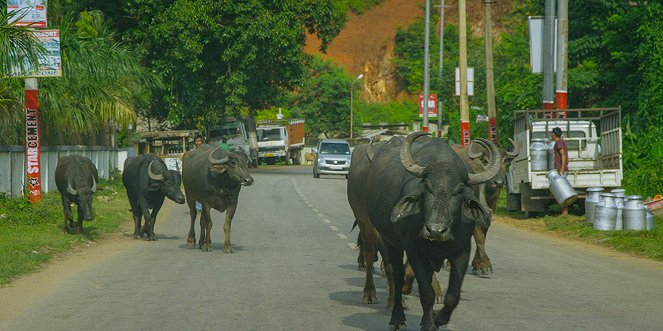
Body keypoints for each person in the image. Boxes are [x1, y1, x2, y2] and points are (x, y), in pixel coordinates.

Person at [551, 127, 569, 215]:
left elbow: (563, 155)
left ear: (554, 134)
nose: (551, 135)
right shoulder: (560, 142)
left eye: (552, 134)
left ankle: (565, 212)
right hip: (559, 170)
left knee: (562, 191)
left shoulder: (559, 142)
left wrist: (562, 168)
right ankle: (564, 211)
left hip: (561, 170)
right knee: (561, 190)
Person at [193, 134, 204, 213]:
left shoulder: (206, 151)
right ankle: (198, 207)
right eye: (196, 141)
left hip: (204, 173)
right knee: (197, 190)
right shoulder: (193, 152)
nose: (198, 143)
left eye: (199, 141)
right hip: (196, 173)